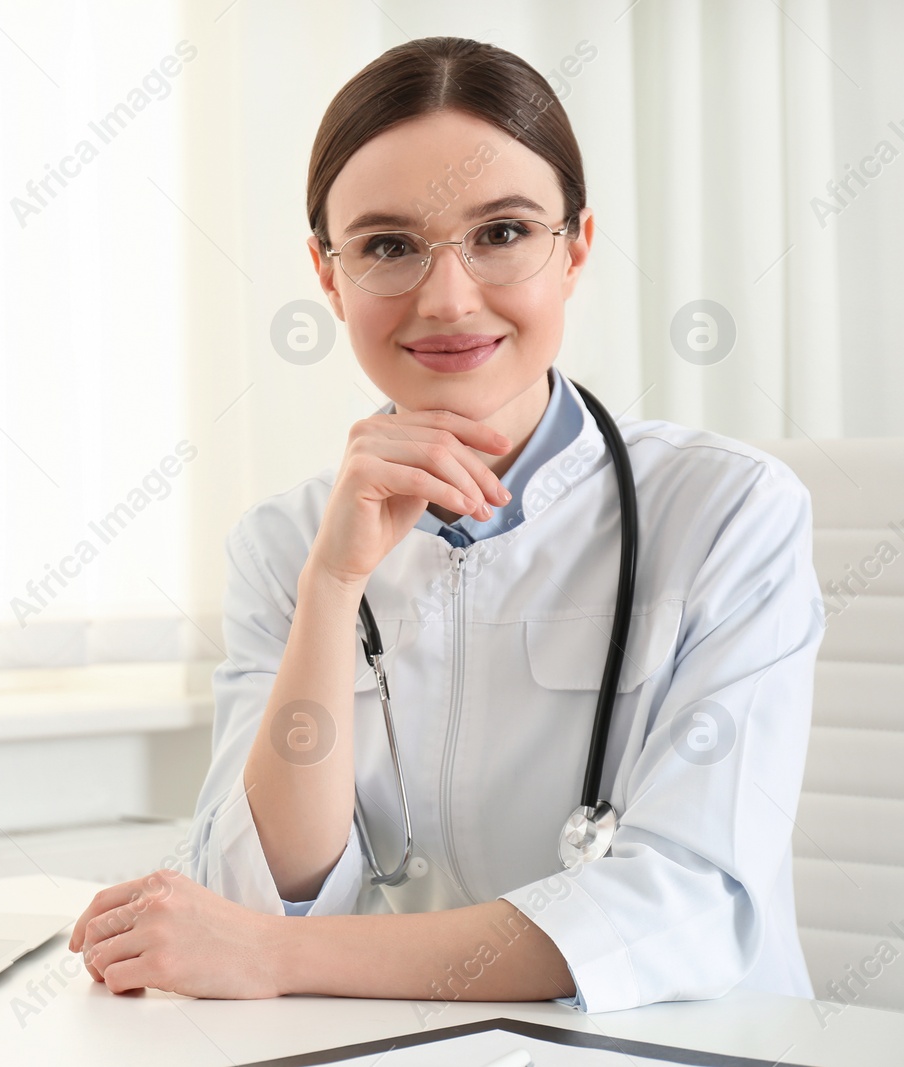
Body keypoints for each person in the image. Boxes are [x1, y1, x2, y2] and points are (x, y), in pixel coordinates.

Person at [68, 36, 821, 1014]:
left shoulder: (728, 513)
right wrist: (331, 589)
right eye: (386, 247)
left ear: (575, 247)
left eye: (501, 232)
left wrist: (278, 956)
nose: (448, 297)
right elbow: (261, 892)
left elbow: (684, 900)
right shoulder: (283, 543)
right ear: (328, 276)